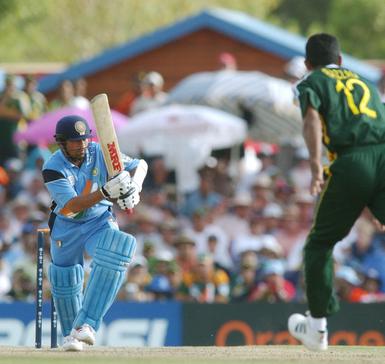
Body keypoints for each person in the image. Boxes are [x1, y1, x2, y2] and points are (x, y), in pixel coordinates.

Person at [287, 33, 385, 352]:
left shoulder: (311, 81)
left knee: (319, 245)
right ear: (341, 60)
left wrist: (316, 164)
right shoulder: (367, 83)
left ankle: (317, 331)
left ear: (307, 64)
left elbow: (312, 118)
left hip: (351, 161)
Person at [42, 115, 148, 351]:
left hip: (98, 222)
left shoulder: (99, 151)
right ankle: (72, 336)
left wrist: (135, 187)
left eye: (84, 139)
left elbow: (139, 165)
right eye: (74, 141)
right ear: (61, 142)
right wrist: (105, 192)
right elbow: (72, 205)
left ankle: (86, 325)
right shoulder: (52, 167)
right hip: (66, 227)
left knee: (117, 248)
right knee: (64, 279)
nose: (81, 145)